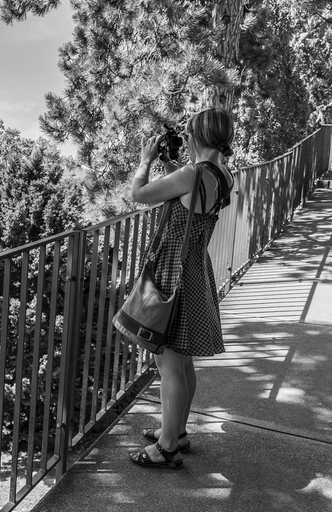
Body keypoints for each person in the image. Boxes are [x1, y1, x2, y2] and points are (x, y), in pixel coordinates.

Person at [127, 108, 235, 469]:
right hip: (195, 269)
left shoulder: (191, 174)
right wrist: (177, 160)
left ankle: (167, 447)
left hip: (174, 271)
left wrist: (145, 160)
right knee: (183, 360)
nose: (186, 139)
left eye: (189, 135)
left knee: (168, 362)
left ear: (199, 137)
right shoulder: (223, 174)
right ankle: (177, 432)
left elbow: (139, 193)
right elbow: (190, 195)